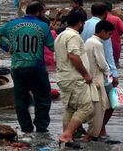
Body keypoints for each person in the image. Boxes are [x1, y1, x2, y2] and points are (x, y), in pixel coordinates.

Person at [0, 2, 54, 133]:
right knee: (43, 98)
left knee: (21, 99)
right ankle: (41, 127)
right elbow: (52, 46)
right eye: (43, 12)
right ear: (38, 12)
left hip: (17, 67)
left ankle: (26, 128)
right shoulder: (43, 26)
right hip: (36, 67)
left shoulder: (12, 24)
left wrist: (7, 47)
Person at [54, 11, 93, 148]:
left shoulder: (61, 35)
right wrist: (86, 74)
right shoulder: (73, 36)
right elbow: (74, 56)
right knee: (86, 107)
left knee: (70, 108)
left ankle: (67, 136)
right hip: (74, 78)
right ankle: (67, 135)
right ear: (80, 23)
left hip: (63, 77)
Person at [81, 3, 119, 137]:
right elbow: (107, 55)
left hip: (85, 72)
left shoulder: (83, 25)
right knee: (108, 104)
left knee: (89, 104)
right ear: (105, 13)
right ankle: (99, 131)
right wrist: (114, 75)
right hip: (99, 75)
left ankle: (83, 130)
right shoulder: (103, 28)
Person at [83, 20, 114, 142]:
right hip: (97, 79)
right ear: (102, 32)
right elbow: (102, 64)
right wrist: (110, 74)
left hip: (91, 78)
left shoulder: (88, 42)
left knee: (96, 109)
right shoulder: (97, 44)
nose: (109, 37)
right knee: (99, 110)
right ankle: (91, 135)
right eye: (109, 34)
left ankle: (91, 134)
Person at [105, 2, 123, 67]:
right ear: (111, 9)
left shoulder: (98, 20)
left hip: (101, 44)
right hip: (114, 43)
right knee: (115, 64)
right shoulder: (115, 19)